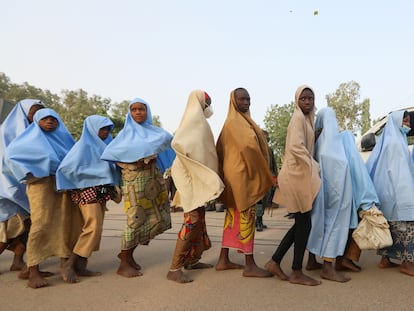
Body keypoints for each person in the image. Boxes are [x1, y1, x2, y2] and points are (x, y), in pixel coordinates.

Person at [4, 108, 82, 288]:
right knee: (40, 224)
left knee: (63, 223)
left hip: (62, 188)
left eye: (53, 119)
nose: (50, 122)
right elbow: (11, 158)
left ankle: (63, 263)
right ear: (37, 121)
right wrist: (34, 172)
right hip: (40, 187)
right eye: (45, 119)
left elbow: (74, 159)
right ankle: (33, 271)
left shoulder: (64, 141)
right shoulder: (26, 141)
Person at [101, 97, 172, 278]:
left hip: (153, 180)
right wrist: (137, 160)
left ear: (148, 112)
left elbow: (168, 140)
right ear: (129, 113)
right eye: (134, 109)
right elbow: (112, 155)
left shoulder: (156, 133)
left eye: (142, 109)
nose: (138, 112)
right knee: (135, 219)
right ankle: (123, 262)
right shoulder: (124, 136)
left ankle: (128, 256)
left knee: (154, 217)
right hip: (135, 183)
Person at [265, 85, 321, 286]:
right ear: (297, 100)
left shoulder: (306, 120)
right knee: (304, 223)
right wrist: (314, 165)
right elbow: (296, 146)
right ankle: (296, 271)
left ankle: (275, 261)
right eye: (303, 98)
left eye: (311, 98)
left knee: (301, 223)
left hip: (298, 175)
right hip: (294, 176)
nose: (307, 102)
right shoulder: (298, 118)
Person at [166, 90, 224, 283]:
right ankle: (174, 268)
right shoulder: (194, 122)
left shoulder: (199, 122)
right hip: (188, 177)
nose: (208, 106)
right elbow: (179, 145)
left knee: (200, 219)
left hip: (196, 177)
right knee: (192, 219)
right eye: (206, 102)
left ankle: (192, 259)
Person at [215, 87, 274, 278]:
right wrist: (264, 172)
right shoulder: (235, 122)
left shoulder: (234, 122)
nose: (246, 103)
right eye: (242, 99)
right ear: (233, 100)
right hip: (243, 177)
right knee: (247, 217)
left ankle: (223, 259)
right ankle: (250, 264)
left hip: (235, 177)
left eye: (248, 99)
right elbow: (250, 148)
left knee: (232, 219)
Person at [56, 115, 121, 278]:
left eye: (108, 129)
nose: (105, 132)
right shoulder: (82, 147)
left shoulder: (106, 147)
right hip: (87, 192)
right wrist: (93, 175)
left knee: (95, 229)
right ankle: (69, 264)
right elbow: (65, 168)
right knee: (93, 226)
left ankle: (81, 265)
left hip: (102, 192)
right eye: (102, 129)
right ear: (92, 129)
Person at [306, 107, 352, 283]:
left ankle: (311, 260)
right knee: (334, 226)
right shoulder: (335, 150)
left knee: (316, 224)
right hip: (335, 199)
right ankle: (327, 267)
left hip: (317, 196)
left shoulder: (316, 145)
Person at [366, 110, 414, 276]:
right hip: (398, 193)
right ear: (396, 123)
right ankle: (408, 263)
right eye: (405, 121)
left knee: (389, 226)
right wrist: (407, 194)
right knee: (406, 227)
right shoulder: (395, 143)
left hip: (388, 194)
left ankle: (385, 260)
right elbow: (398, 173)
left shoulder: (391, 140)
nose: (407, 125)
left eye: (408, 121)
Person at [0, 99, 44, 273]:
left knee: (26, 228)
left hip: (27, 188)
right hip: (6, 189)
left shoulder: (35, 133)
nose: (35, 117)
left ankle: (18, 260)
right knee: (7, 231)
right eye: (33, 113)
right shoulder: (6, 133)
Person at [335, 130, 380, 272]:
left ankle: (340, 260)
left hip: (341, 202)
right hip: (355, 201)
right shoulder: (354, 158)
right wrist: (369, 201)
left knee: (343, 230)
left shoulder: (337, 157)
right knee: (355, 228)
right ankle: (346, 259)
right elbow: (362, 180)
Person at [256, 129, 278, 232]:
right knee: (259, 203)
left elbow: (273, 165)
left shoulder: (269, 150)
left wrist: (275, 178)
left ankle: (259, 220)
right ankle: (258, 221)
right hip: (258, 180)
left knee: (265, 201)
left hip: (268, 180)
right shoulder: (256, 149)